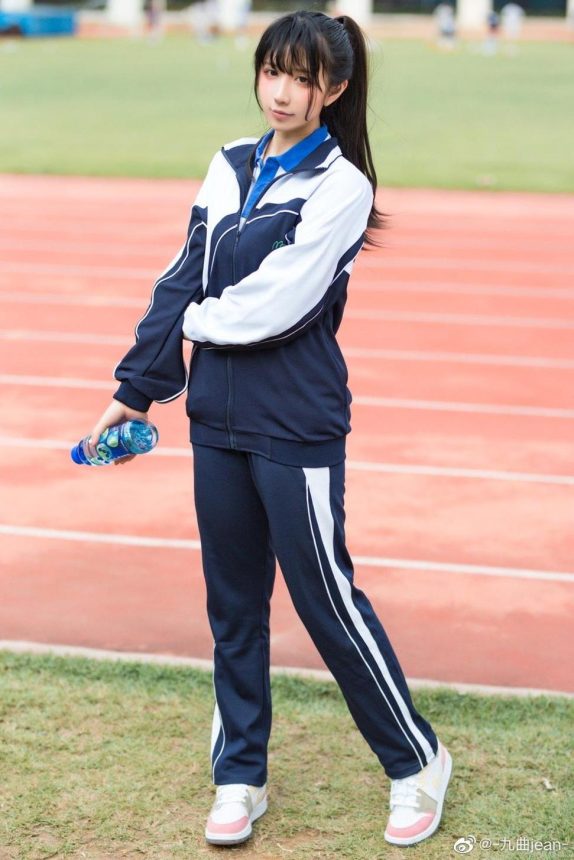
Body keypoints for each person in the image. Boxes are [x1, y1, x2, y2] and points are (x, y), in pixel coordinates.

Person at [86, 10, 453, 849]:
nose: (282, 92)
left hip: (296, 420)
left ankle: (416, 761)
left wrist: (194, 325)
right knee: (234, 606)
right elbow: (181, 273)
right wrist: (136, 389)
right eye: (271, 72)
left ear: (336, 88)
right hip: (214, 418)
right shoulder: (229, 164)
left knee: (326, 602)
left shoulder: (343, 187)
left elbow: (276, 305)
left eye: (303, 78)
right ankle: (240, 775)